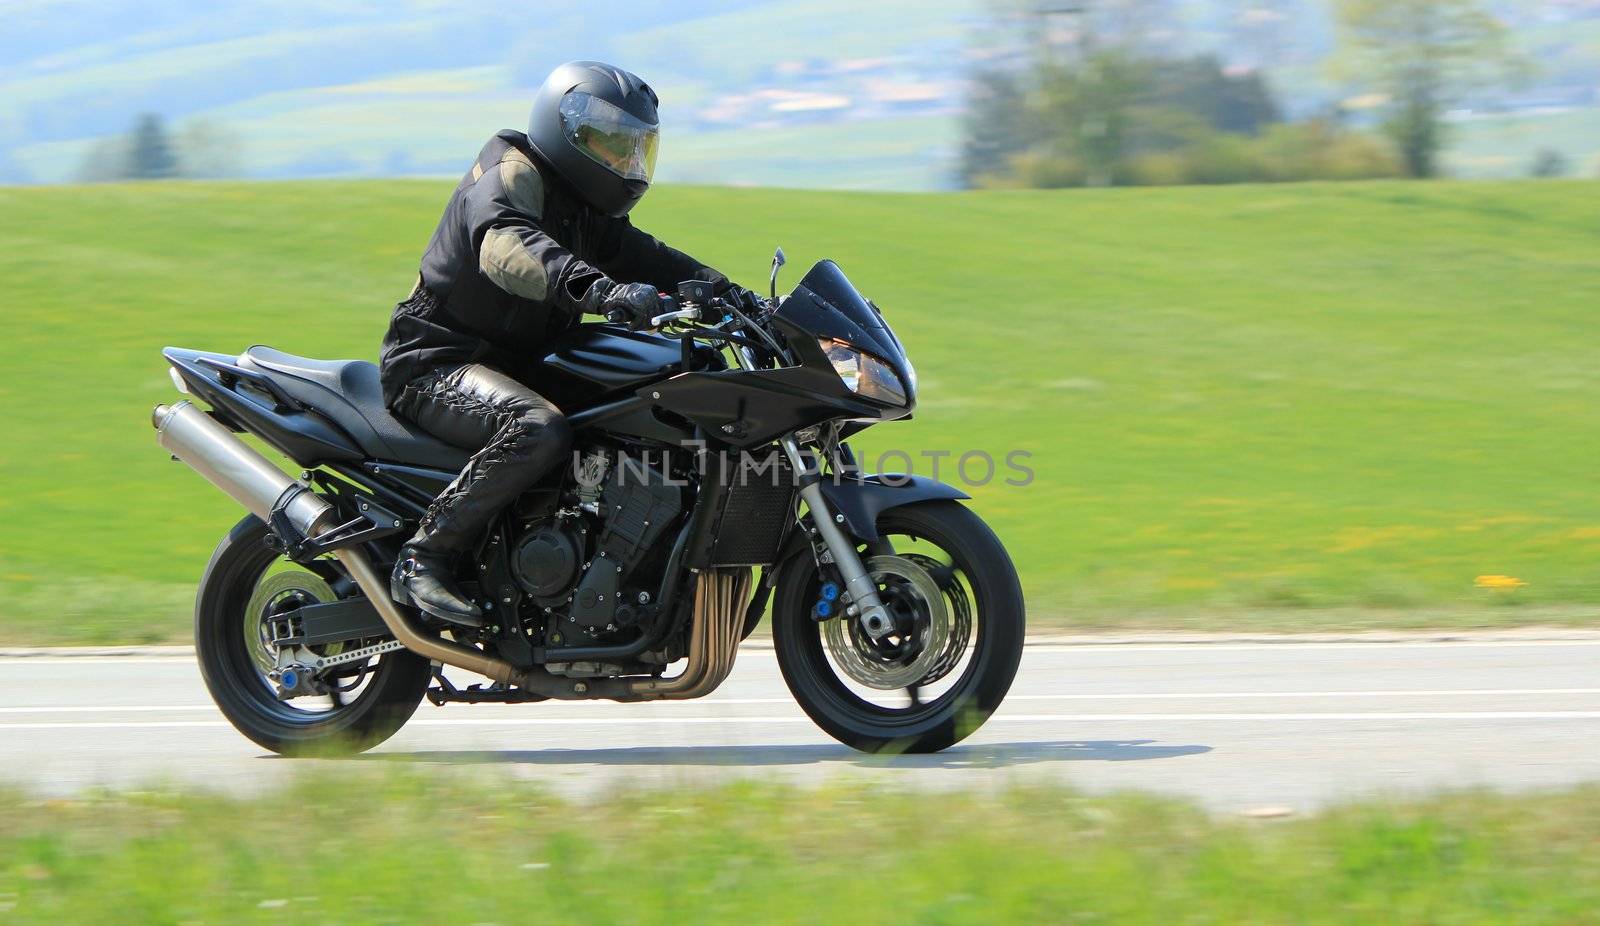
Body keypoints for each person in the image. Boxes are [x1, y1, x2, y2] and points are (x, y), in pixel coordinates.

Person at [379, 61, 758, 628]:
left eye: (635, 151)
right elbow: (507, 247)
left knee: (656, 403)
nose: (625, 165)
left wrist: (735, 296)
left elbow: (647, 256)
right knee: (537, 428)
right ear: (566, 131)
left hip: (522, 363)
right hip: (437, 361)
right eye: (610, 147)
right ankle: (423, 557)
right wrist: (601, 291)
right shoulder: (510, 173)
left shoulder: (582, 207)